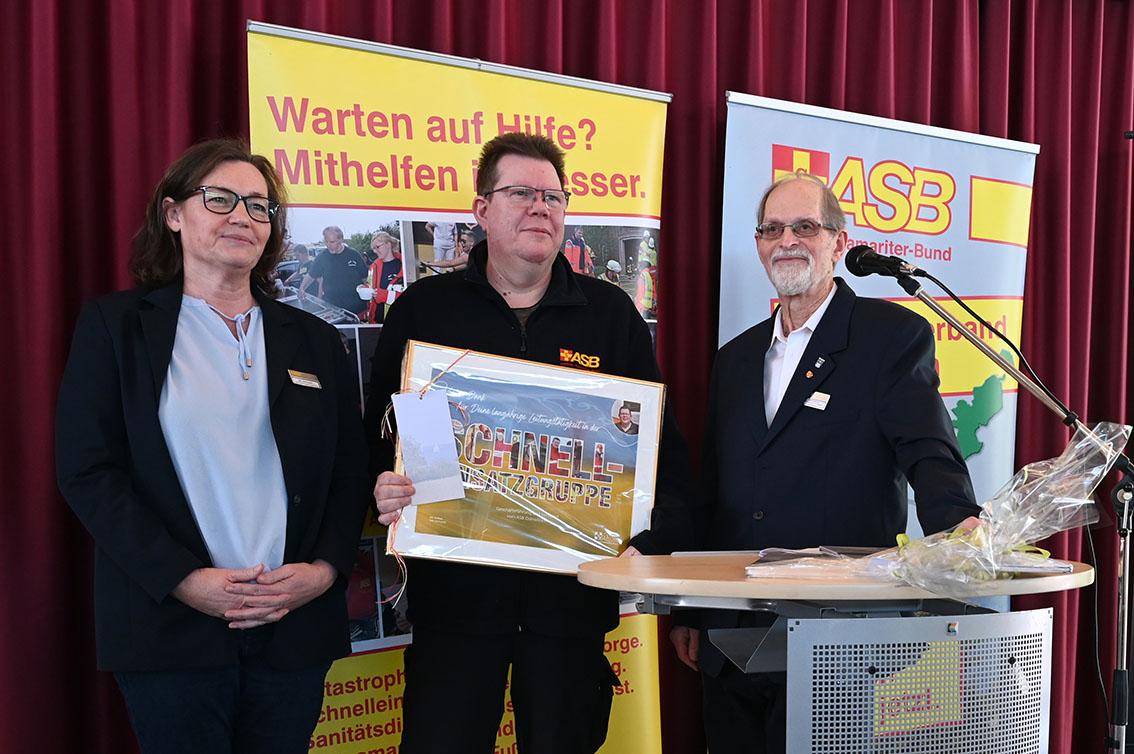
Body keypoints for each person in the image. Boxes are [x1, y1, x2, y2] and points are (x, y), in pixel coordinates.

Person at [365, 132, 696, 754]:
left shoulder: (609, 316)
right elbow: (384, 435)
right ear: (482, 209)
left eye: (553, 196)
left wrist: (648, 541)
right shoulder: (426, 310)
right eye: (521, 193)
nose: (540, 207)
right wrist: (385, 483)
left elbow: (661, 455)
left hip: (568, 610)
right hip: (455, 607)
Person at [55, 139, 371, 754]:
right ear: (173, 214)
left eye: (258, 206)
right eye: (220, 199)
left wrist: (324, 572)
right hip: (171, 627)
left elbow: (348, 470)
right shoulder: (117, 328)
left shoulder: (313, 339)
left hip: (292, 628)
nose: (242, 217)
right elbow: (88, 471)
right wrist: (182, 579)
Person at [670, 171, 980, 752]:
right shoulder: (734, 358)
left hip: (836, 633)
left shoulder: (889, 337)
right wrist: (692, 611)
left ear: (839, 243)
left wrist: (958, 522)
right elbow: (713, 488)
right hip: (732, 631)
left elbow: (927, 447)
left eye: (805, 227)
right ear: (758, 245)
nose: (787, 240)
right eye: (772, 229)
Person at [299, 225, 367, 314]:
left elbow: (365, 278)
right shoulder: (322, 257)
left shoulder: (354, 255)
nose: (328, 245)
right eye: (326, 242)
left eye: (332, 242)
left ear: (341, 240)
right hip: (332, 308)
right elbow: (311, 275)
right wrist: (302, 288)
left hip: (355, 308)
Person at [364, 231, 404, 324]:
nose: (375, 251)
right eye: (373, 249)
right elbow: (370, 286)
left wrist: (384, 296)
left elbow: (409, 297)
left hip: (397, 322)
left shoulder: (404, 266)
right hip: (375, 322)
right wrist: (363, 288)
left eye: (377, 247)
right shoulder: (373, 267)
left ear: (388, 244)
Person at [634, 234, 658, 319]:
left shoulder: (643, 275)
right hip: (652, 268)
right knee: (652, 285)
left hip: (642, 305)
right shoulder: (654, 251)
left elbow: (640, 292)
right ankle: (654, 303)